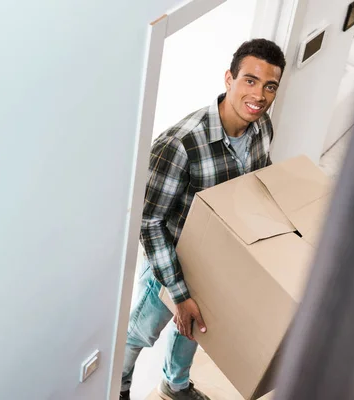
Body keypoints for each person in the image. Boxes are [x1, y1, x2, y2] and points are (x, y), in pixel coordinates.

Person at [120, 38, 286, 400]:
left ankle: (175, 385)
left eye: (269, 85)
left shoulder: (262, 129)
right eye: (250, 80)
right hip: (171, 261)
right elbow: (149, 224)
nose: (259, 95)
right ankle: (117, 386)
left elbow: (260, 180)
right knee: (140, 332)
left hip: (217, 259)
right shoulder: (180, 144)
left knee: (195, 329)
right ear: (229, 78)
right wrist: (179, 294)